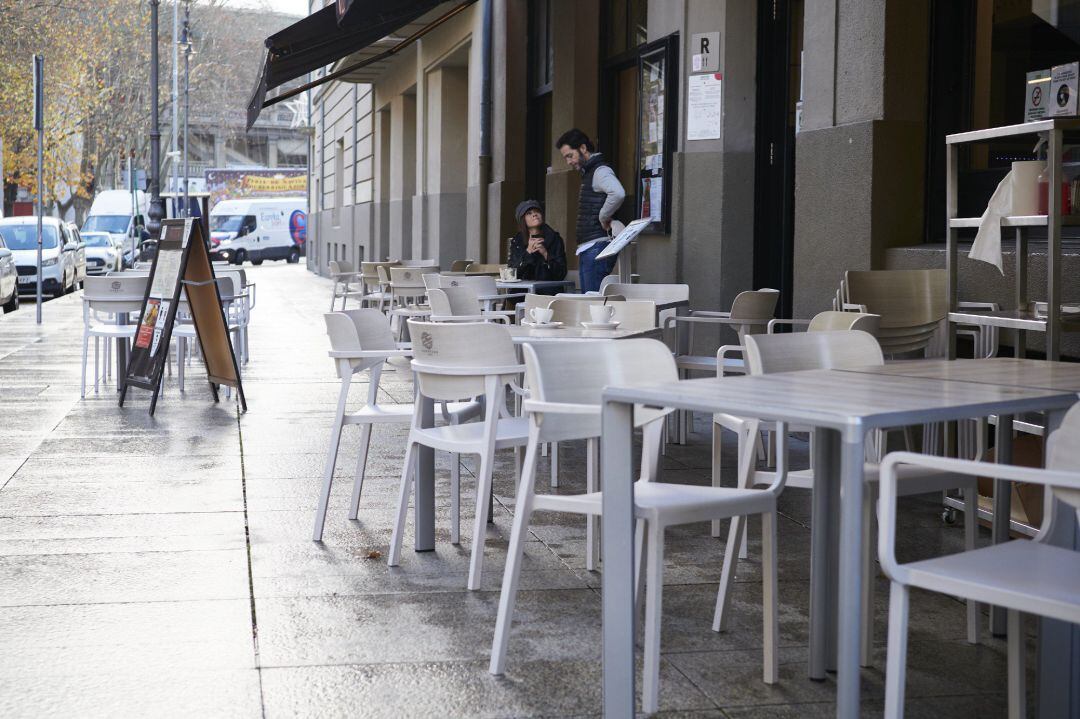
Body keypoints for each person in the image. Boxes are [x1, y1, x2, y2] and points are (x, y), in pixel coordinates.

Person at [555, 128, 625, 292]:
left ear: (583, 148)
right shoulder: (591, 172)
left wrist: (603, 216)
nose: (568, 162)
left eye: (569, 155)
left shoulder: (600, 171)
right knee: (592, 303)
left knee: (592, 304)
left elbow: (618, 193)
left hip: (596, 246)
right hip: (592, 247)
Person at [507, 200, 567, 286]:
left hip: (547, 292)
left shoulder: (555, 239)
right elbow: (512, 274)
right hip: (522, 292)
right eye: (529, 213)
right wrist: (528, 252)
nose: (534, 214)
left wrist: (546, 254)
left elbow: (561, 274)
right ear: (522, 219)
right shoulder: (517, 242)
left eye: (537, 211)